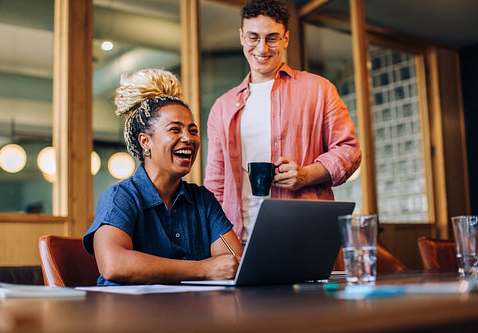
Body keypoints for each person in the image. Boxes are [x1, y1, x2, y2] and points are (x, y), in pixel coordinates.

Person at [204, 0, 362, 243]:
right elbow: (216, 186)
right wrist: (216, 243)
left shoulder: (319, 89)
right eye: (253, 37)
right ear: (241, 37)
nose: (262, 48)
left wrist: (306, 175)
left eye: (272, 38)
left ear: (286, 39)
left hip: (305, 234)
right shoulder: (221, 108)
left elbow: (350, 151)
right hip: (239, 241)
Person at [83, 69, 243, 285]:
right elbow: (113, 265)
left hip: (191, 313)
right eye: (175, 130)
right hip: (127, 314)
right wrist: (202, 268)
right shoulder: (120, 198)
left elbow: (235, 260)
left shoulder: (202, 200)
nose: (188, 138)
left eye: (193, 131)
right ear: (145, 141)